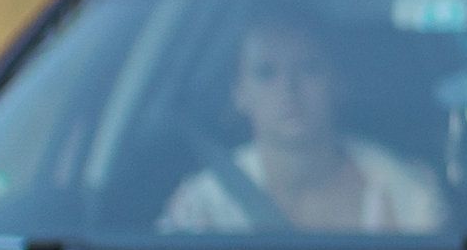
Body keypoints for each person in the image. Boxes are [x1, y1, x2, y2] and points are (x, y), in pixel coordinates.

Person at [162, 15, 447, 234]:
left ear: (338, 84)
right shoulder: (203, 206)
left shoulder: (406, 193)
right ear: (239, 94)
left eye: (309, 68)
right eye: (266, 73)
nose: (288, 89)